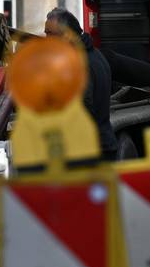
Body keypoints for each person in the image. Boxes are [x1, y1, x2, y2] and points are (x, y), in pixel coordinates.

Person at [44, 8, 118, 159]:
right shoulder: (95, 54)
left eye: (50, 34)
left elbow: (83, 107)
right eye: (46, 33)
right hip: (102, 144)